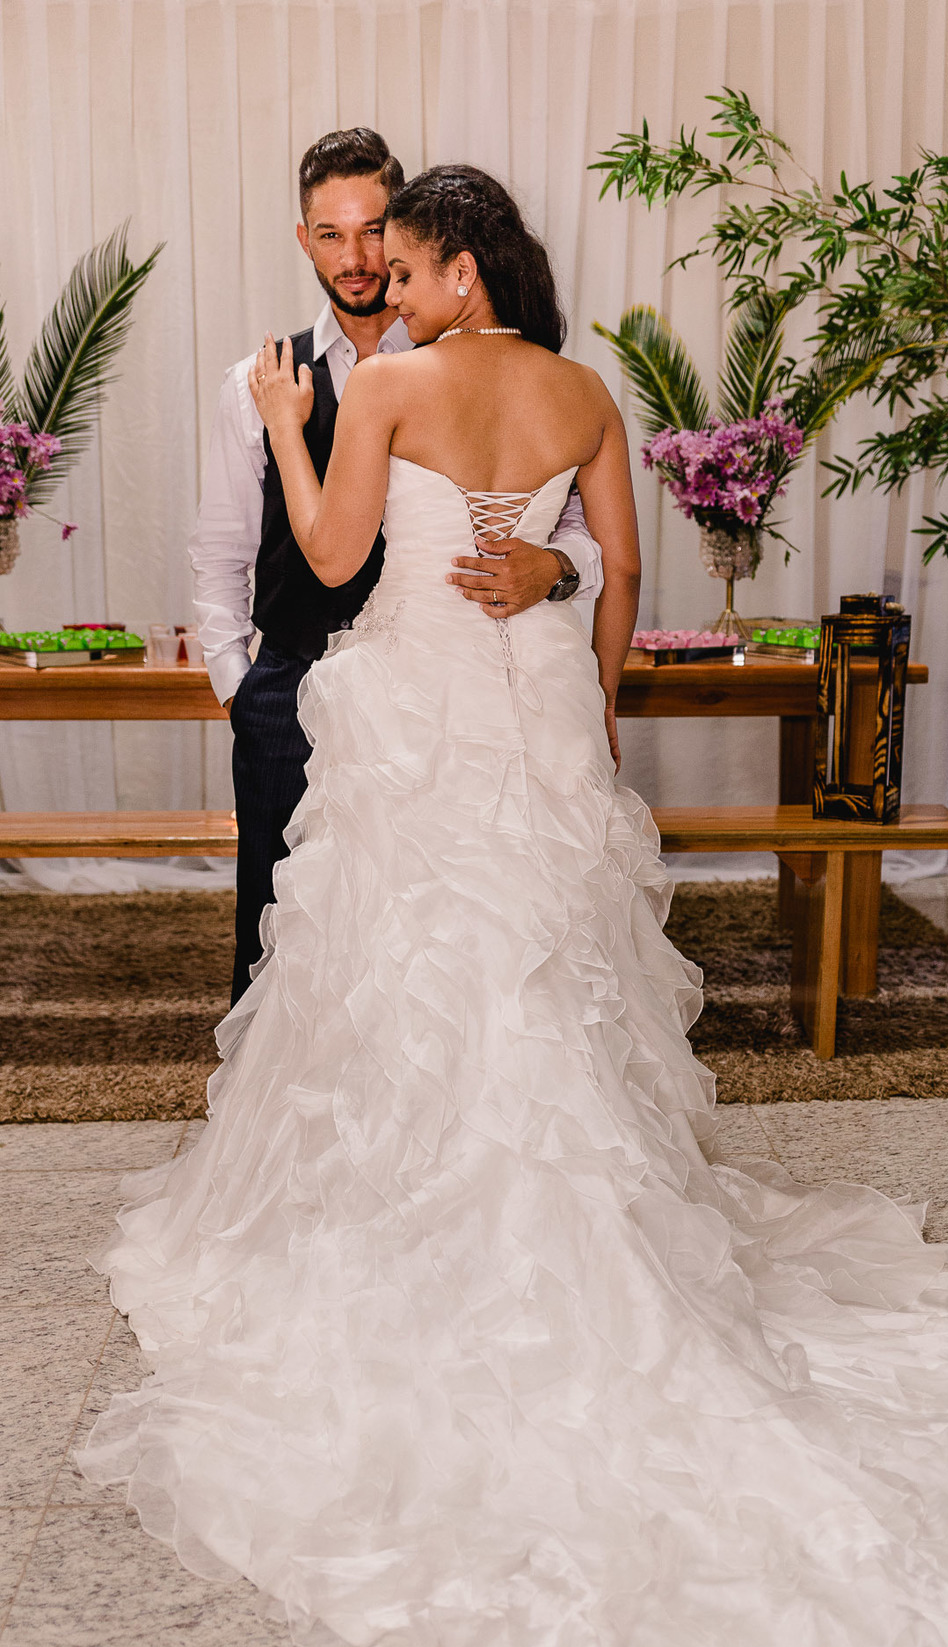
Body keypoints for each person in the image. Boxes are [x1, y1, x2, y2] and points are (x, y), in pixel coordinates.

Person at [80, 165, 948, 1647]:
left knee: (412, 967)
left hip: (423, 727)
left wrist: (278, 406)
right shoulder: (585, 389)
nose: (382, 272)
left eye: (404, 253)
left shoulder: (380, 379)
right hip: (531, 719)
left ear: (458, 269)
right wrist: (594, 720)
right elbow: (627, 581)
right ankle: (568, 1209)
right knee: (545, 972)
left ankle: (426, 1229)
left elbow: (326, 556)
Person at [190, 129, 602, 1003]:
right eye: (330, 234)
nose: (356, 256)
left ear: (412, 227)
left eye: (374, 229)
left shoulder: (488, 367)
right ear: (303, 239)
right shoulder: (256, 383)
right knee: (281, 931)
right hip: (296, 682)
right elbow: (222, 547)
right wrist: (242, 683)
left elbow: (576, 529)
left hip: (445, 693)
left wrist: (556, 568)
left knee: (443, 937)